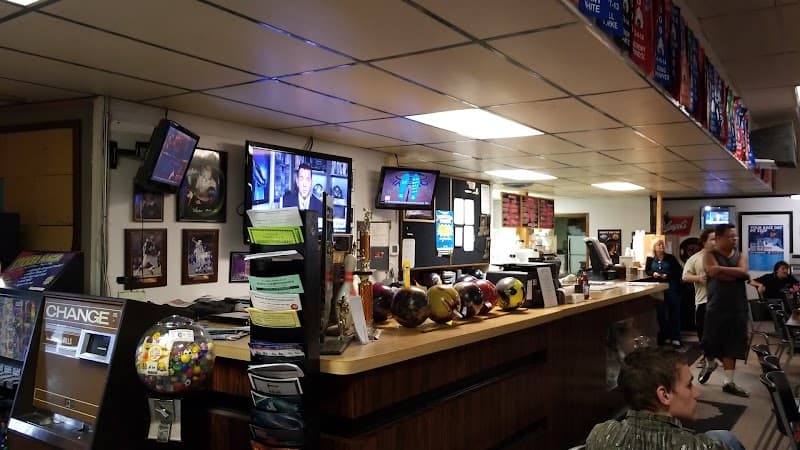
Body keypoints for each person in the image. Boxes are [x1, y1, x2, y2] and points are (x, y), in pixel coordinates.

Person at [586, 346, 744, 450]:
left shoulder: (600, 434)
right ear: (664, 395)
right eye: (689, 385)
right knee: (725, 437)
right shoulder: (703, 447)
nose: (697, 393)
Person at [699, 224, 750, 397]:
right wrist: (737, 274)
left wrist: (723, 270)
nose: (734, 239)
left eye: (735, 237)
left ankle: (728, 382)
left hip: (738, 308)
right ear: (719, 238)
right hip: (717, 307)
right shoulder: (709, 254)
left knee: (733, 345)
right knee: (710, 342)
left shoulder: (740, 255)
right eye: (730, 237)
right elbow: (714, 273)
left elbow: (743, 271)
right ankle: (710, 362)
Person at [682, 228, 716, 369]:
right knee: (703, 332)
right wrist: (698, 278)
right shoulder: (695, 258)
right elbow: (685, 276)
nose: (715, 242)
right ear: (704, 241)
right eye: (712, 239)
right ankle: (707, 357)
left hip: (721, 301)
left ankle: (715, 356)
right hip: (703, 301)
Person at [646, 239, 683, 347]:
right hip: (658, 288)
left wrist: (668, 275)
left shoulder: (670, 258)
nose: (661, 246)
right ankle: (665, 336)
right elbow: (647, 270)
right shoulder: (650, 258)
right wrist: (654, 273)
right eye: (659, 245)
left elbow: (678, 270)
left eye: (662, 244)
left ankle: (676, 337)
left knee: (674, 312)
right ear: (654, 247)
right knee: (661, 313)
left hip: (672, 287)